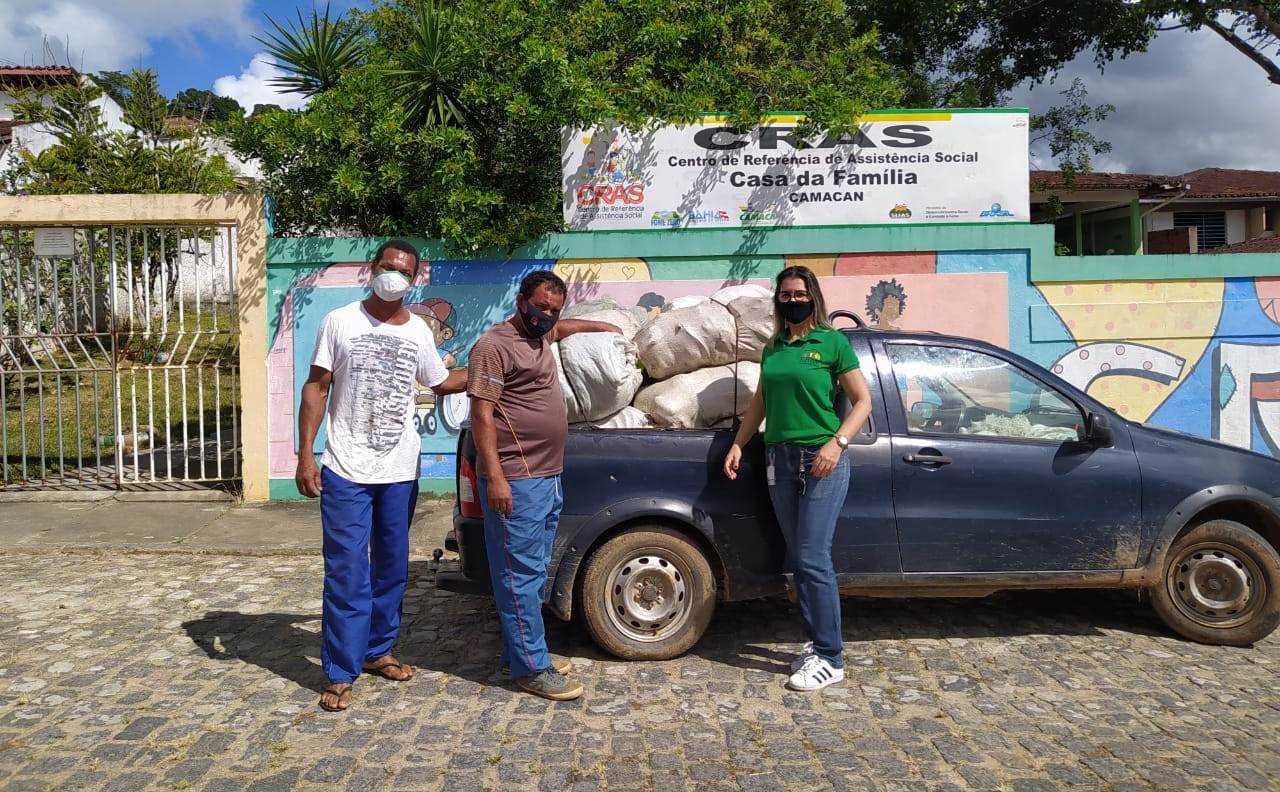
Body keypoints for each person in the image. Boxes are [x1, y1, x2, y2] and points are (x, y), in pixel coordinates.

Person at [296, 239, 468, 712]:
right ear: (372, 269)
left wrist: (491, 367)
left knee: (391, 566)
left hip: (398, 468)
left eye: (405, 272)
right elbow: (316, 386)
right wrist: (305, 455)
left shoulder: (417, 331)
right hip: (345, 467)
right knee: (347, 569)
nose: (395, 276)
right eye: (388, 266)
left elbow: (442, 381)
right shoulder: (339, 321)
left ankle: (378, 650)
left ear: (414, 280)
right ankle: (339, 670)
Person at [467, 270, 621, 701]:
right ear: (521, 302)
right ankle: (531, 670)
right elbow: (482, 414)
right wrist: (495, 476)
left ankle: (527, 653)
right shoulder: (494, 346)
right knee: (518, 575)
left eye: (554, 310)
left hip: (547, 476)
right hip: (516, 479)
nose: (547, 316)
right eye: (540, 308)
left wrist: (603, 326)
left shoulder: (540, 336)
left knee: (534, 573)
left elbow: (563, 329)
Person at [723, 265, 873, 691]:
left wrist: (836, 444)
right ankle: (814, 642)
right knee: (798, 558)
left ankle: (831, 656)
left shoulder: (832, 342)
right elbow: (761, 402)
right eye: (785, 296)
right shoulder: (773, 348)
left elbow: (863, 402)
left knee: (812, 556)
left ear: (814, 296)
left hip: (822, 459)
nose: (793, 301)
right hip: (779, 460)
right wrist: (739, 443)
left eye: (799, 294)